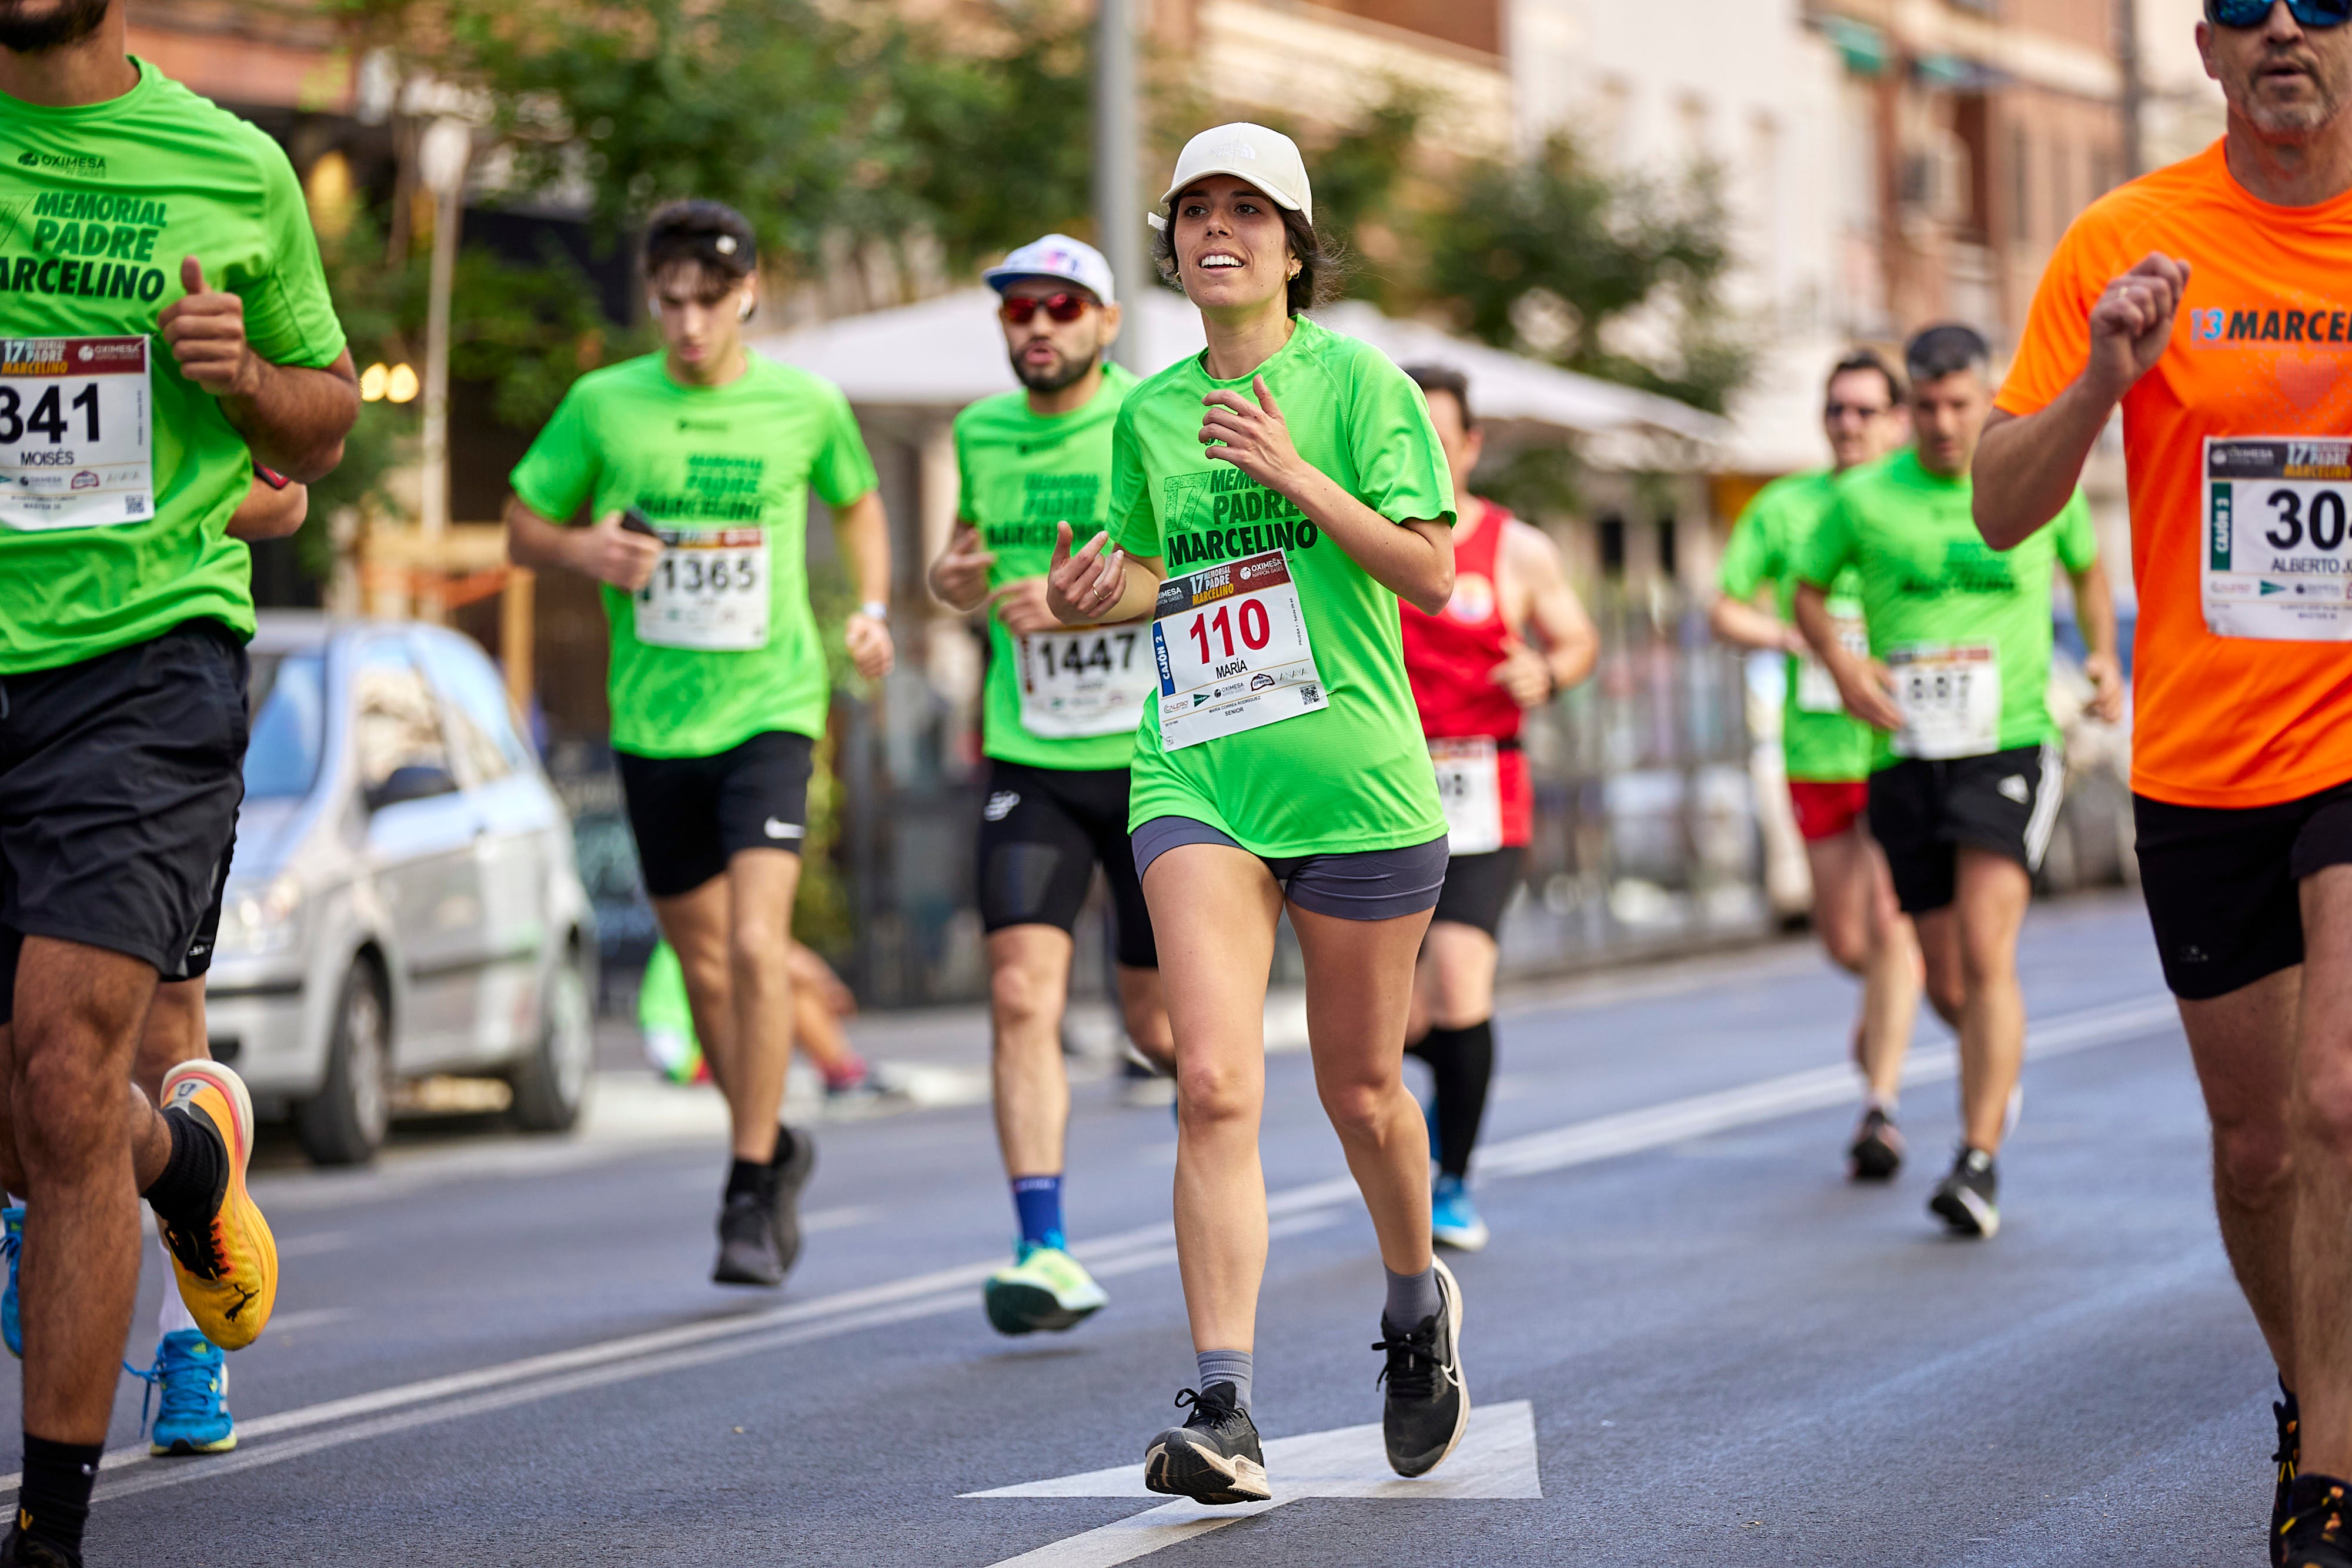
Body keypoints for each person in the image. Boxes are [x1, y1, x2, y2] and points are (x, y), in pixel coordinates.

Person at [1968, 4, 2352, 1558]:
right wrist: (2097, 381)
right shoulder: (2126, 241)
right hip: (2204, 756)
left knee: (2340, 1097)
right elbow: (2001, 503)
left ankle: (2328, 1470)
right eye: (2249, 4)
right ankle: (2307, 1386)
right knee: (2259, 1146)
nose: (2285, 28)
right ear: (2203, 50)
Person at [1047, 122, 1469, 1503]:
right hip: (1197, 770)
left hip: (1352, 785)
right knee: (1215, 1080)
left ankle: (1415, 1304)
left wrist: (1293, 472)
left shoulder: (1359, 385)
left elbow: (1429, 575)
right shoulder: (1146, 412)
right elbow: (1151, 578)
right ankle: (1222, 1402)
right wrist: (1084, 595)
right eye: (1192, 212)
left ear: (1295, 245)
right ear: (1170, 242)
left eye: (1247, 210)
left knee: (1359, 1090)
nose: (1215, 230)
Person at [0, 1, 357, 1556]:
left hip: (141, 663)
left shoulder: (230, 166)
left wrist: (247, 380)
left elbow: (322, 420)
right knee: (37, 1106)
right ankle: (185, 1159)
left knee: (83, 1068)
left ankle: (53, 1524)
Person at [506, 199, 894, 1290]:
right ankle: (773, 1147)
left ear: (749, 293)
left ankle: (743, 1183)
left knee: (761, 947)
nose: (687, 324)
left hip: (771, 709)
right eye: (668, 302)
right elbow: (521, 527)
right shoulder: (602, 405)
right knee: (709, 963)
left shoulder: (805, 403)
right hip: (654, 723)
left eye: (709, 301)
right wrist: (584, 547)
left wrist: (869, 604)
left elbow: (860, 502)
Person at [1795, 323, 2123, 1245]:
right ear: (1909, 410)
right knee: (1943, 974)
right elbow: (1809, 592)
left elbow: (2089, 574)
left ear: (1989, 401)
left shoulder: (2032, 478)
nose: (1944, 425)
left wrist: (2101, 657)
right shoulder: (1863, 497)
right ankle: (1993, 1067)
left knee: (1986, 951)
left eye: (1960, 405)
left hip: (2010, 741)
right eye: (1928, 407)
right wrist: (1844, 667)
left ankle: (1976, 1161)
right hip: (1905, 752)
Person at [927, 235, 1177, 1336]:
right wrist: (949, 582)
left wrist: (1079, 598)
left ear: (1107, 324)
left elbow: (1199, 578)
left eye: (1063, 308)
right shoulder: (978, 432)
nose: (1038, 325)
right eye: (1020, 309)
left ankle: (1232, 1182)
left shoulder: (1156, 419)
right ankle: (1043, 1246)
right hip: (1029, 757)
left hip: (1158, 760)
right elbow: (963, 565)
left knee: (1163, 1030)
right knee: (1022, 995)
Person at [1711, 352, 1927, 1180]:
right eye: (1837, 410)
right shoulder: (1788, 506)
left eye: (1867, 411)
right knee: (1847, 940)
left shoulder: (1914, 501)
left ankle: (1882, 1106)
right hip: (1817, 748)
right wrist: (1794, 636)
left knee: (1888, 917)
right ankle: (1886, 1008)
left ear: (1897, 422)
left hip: (1898, 745)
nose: (1849, 425)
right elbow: (1727, 606)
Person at [1395, 364, 1596, 1251]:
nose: (1431, 456)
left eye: (1443, 440)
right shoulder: (1362, 535)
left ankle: (1453, 1182)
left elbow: (1577, 634)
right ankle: (1438, 1118)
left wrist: (1547, 672)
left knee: (1461, 977)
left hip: (1482, 795)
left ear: (1471, 445)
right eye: (1414, 441)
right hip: (1383, 794)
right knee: (1398, 1019)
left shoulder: (1515, 547)